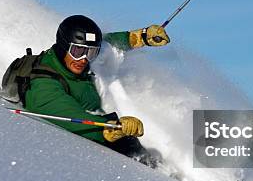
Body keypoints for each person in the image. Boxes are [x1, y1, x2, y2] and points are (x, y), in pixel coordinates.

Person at [24, 15, 169, 166]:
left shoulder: (77, 63)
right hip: (83, 149)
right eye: (78, 51)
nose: (84, 59)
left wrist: (142, 36)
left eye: (91, 52)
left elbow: (110, 44)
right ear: (63, 46)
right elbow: (71, 117)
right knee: (126, 142)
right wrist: (112, 128)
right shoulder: (44, 85)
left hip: (100, 122)